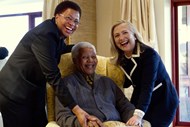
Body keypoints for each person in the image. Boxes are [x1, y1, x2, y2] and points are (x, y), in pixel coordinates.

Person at [0, 1, 90, 127]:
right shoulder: (44, 35)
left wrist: (84, 47)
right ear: (57, 16)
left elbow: (60, 49)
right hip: (14, 93)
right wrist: (77, 110)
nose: (72, 24)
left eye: (76, 21)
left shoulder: (56, 35)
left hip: (33, 92)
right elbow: (53, 76)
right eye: (68, 18)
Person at [55, 41, 146, 127]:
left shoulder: (107, 81)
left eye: (93, 57)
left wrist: (134, 119)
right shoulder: (65, 85)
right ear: (75, 61)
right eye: (84, 57)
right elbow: (62, 117)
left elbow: (125, 106)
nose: (90, 60)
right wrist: (84, 122)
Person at [109, 20, 179, 127]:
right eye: (117, 35)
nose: (121, 38)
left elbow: (147, 86)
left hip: (163, 100)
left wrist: (138, 115)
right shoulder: (121, 59)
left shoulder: (149, 54)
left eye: (125, 32)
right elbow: (128, 81)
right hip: (141, 96)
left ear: (134, 35)